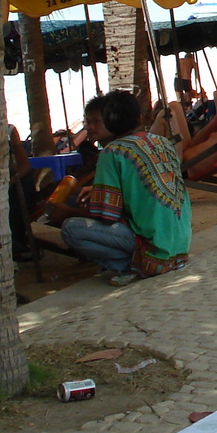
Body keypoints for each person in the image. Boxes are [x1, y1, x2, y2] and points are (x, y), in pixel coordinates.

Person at [56, 89, 192, 287]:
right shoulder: (161, 141)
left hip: (155, 245)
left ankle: (131, 266)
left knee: (70, 229)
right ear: (138, 118)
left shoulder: (113, 152)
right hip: (180, 243)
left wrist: (67, 213)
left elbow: (107, 215)